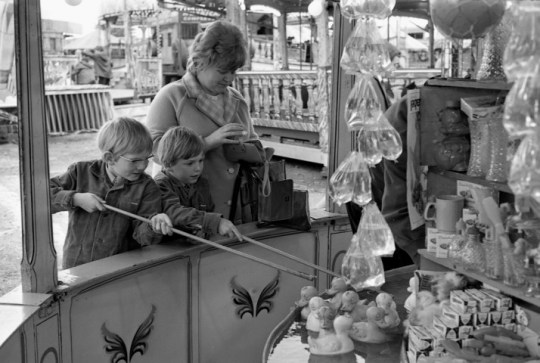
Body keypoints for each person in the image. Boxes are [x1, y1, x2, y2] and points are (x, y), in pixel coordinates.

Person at [146, 20, 262, 223]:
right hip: (187, 212)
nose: (229, 78)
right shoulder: (171, 96)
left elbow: (253, 141)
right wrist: (207, 143)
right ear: (200, 62)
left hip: (236, 208)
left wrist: (252, 150)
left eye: (233, 71)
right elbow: (154, 149)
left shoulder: (237, 100)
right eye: (222, 70)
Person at [50, 117, 173, 269]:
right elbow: (41, 198)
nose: (143, 166)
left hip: (119, 271)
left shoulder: (147, 188)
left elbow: (143, 236)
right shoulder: (79, 172)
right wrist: (76, 198)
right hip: (77, 266)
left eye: (147, 158)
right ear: (109, 158)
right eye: (134, 161)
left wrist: (154, 226)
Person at [155, 126, 242, 241]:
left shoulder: (201, 182)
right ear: (168, 164)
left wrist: (203, 231)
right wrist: (214, 222)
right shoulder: (160, 185)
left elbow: (208, 210)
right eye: (190, 163)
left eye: (200, 160)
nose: (198, 168)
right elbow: (174, 212)